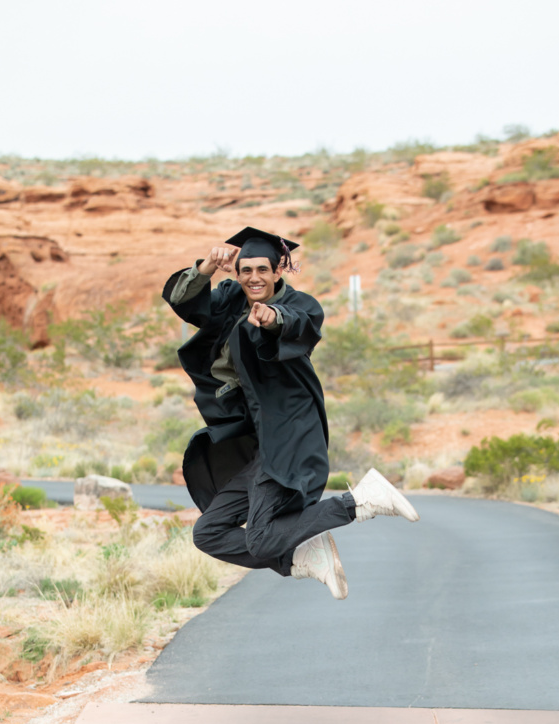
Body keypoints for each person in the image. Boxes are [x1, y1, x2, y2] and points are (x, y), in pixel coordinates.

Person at [162, 226, 419, 600]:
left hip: (287, 431)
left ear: (278, 270)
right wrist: (203, 269)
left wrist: (272, 320)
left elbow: (300, 323)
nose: (253, 278)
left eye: (262, 270)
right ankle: (300, 557)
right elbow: (187, 304)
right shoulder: (231, 299)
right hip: (254, 439)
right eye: (245, 270)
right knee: (209, 533)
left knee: (262, 538)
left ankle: (361, 501)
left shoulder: (299, 304)